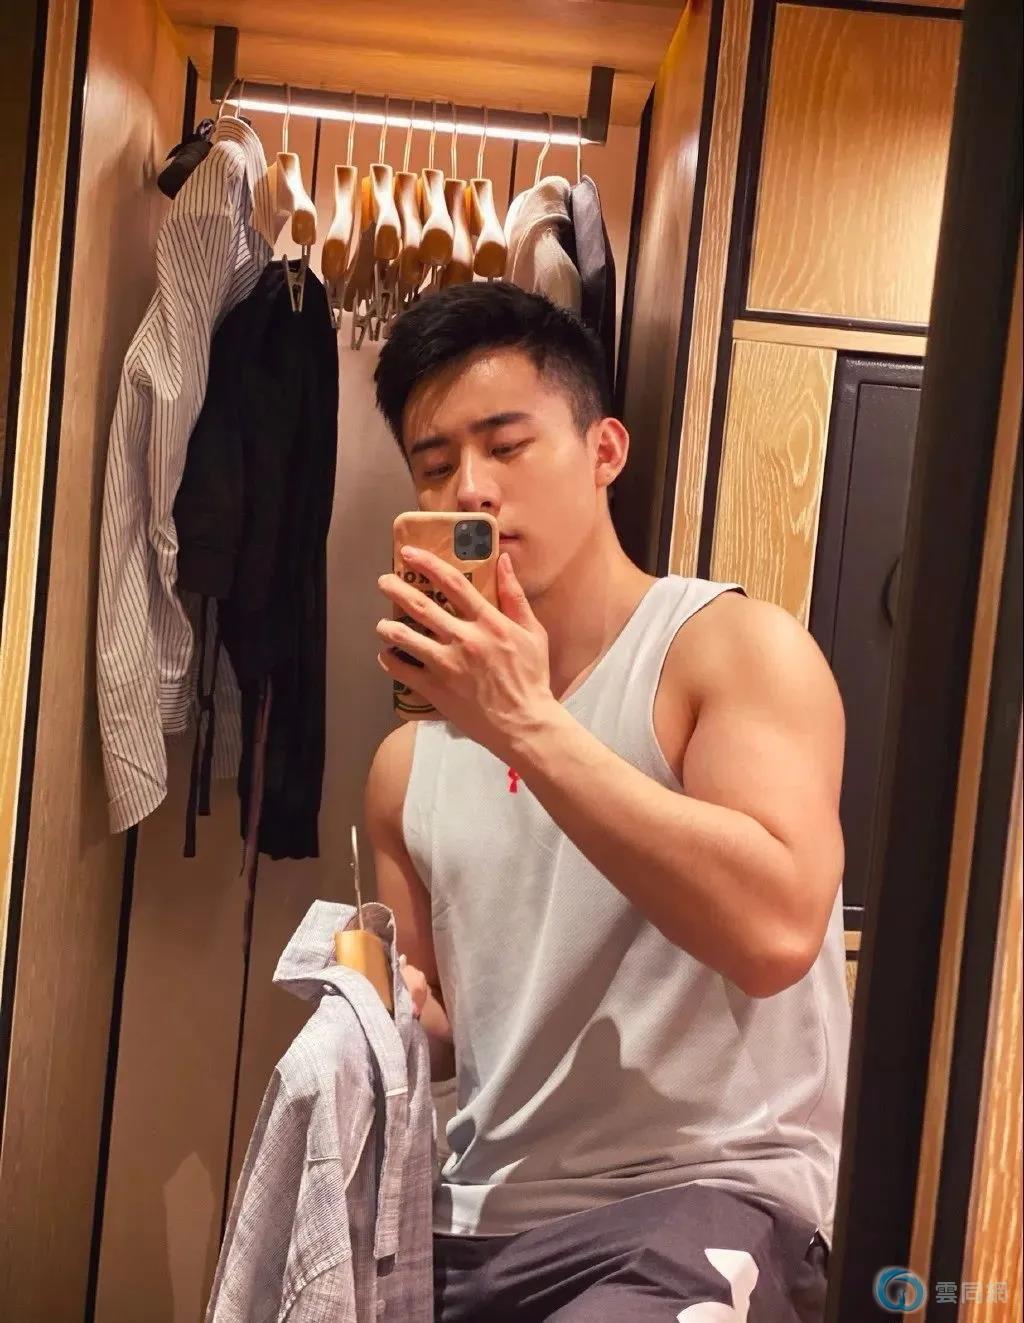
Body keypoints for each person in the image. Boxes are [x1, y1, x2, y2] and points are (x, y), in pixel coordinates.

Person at [365, 282, 851, 1322]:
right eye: (435, 465)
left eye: (507, 445)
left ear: (605, 451)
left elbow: (774, 932)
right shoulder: (406, 767)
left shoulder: (728, 653)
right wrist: (382, 1003)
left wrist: (525, 725)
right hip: (471, 1218)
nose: (471, 489)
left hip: (704, 1202)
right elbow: (444, 1031)